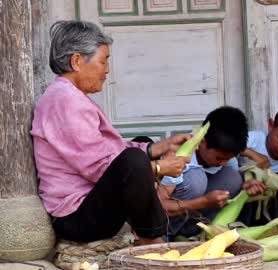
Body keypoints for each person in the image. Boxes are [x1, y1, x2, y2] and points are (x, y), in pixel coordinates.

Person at [31, 20, 190, 245]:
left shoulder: (68, 95)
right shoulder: (65, 101)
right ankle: (151, 238)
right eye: (103, 60)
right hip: (76, 217)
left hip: (90, 202)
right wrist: (157, 167)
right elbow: (100, 167)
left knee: (141, 149)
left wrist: (156, 148)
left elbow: (110, 150)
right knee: (135, 161)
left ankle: (146, 229)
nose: (106, 70)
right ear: (77, 61)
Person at [157, 106, 250, 239]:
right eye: (219, 158)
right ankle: (166, 235)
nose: (223, 162)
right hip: (165, 221)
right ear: (202, 141)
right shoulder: (178, 156)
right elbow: (158, 205)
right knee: (197, 180)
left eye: (228, 158)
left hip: (191, 219)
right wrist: (204, 202)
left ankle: (199, 233)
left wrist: (249, 185)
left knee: (233, 178)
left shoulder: (225, 155)